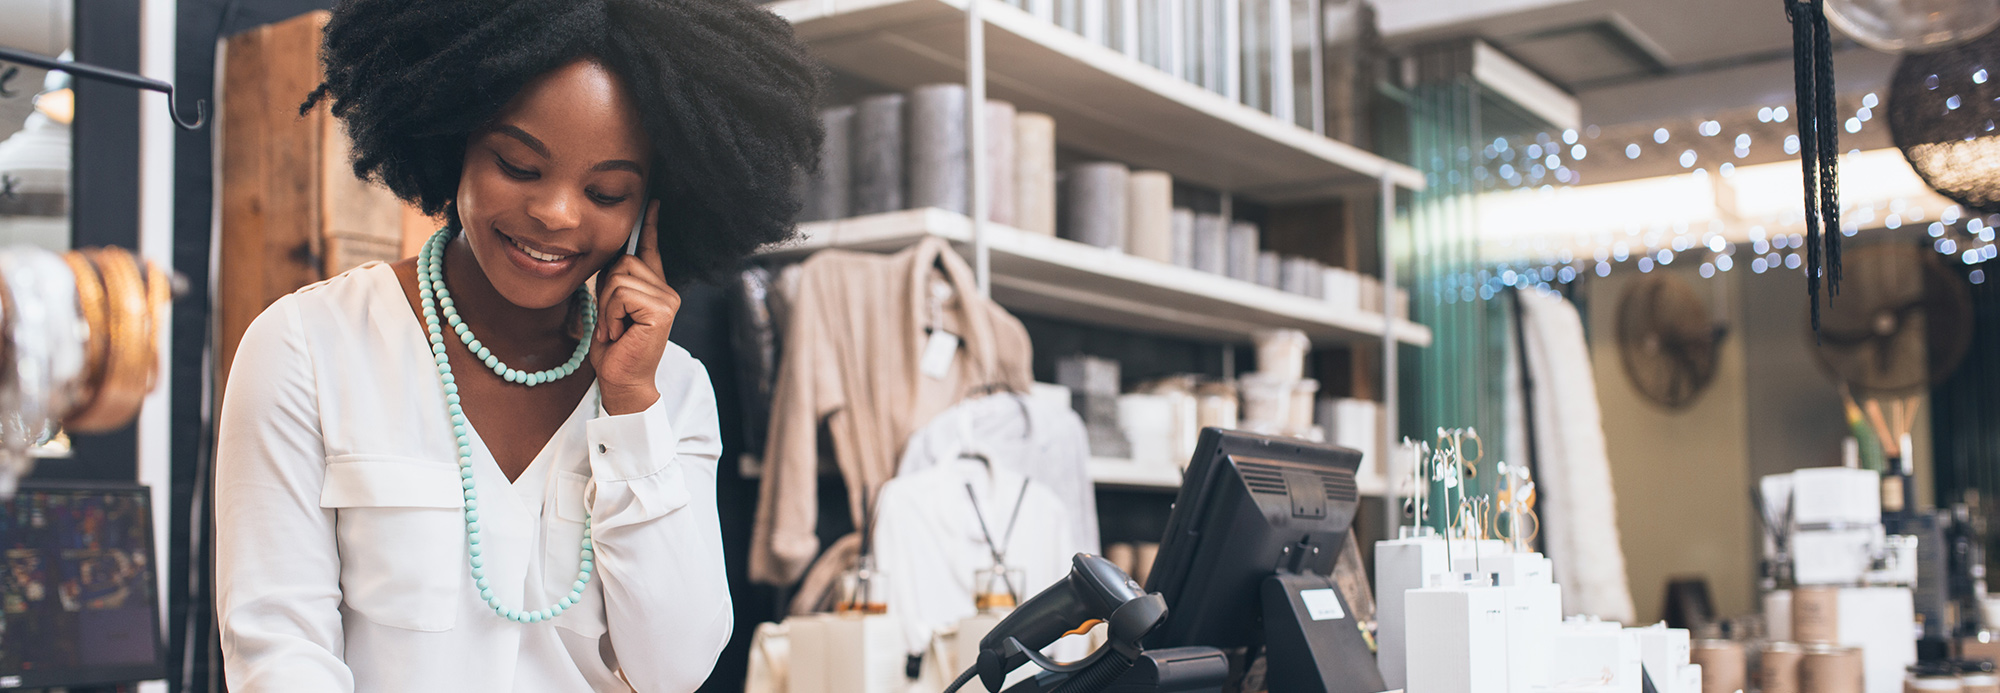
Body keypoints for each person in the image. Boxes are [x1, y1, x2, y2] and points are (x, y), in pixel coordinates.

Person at [212, 1, 823, 690]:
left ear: (651, 206)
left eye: (606, 190)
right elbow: (280, 653)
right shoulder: (308, 348)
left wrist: (630, 410)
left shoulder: (670, 392)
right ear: (455, 139)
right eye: (519, 164)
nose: (557, 212)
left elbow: (674, 668)